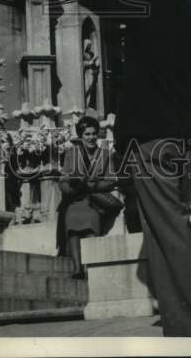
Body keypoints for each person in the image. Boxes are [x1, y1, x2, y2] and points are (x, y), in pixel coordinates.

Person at [114, 0, 191, 337]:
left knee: (170, 229)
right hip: (186, 134)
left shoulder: (144, 7)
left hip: (152, 137)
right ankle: (178, 320)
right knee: (164, 229)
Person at [57, 115, 121, 278]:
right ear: (81, 136)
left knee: (91, 222)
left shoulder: (105, 154)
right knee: (71, 220)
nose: (91, 137)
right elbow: (63, 180)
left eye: (94, 133)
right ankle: (77, 268)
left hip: (94, 200)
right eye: (87, 134)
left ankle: (90, 267)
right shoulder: (72, 153)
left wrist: (95, 186)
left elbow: (111, 179)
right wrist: (70, 190)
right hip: (76, 199)